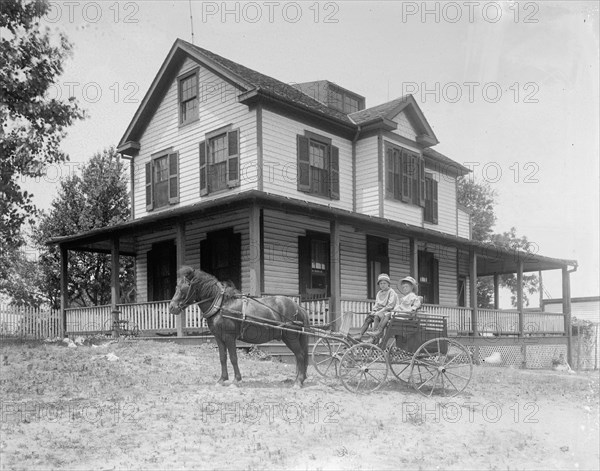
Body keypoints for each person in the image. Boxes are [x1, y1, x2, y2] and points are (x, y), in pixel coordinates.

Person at [354, 274, 399, 341]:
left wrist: (378, 312)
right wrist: (373, 310)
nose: (382, 285)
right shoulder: (379, 293)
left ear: (388, 284)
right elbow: (376, 304)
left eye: (384, 283)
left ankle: (374, 337)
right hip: (380, 311)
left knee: (376, 316)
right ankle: (360, 335)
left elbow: (390, 306)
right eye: (381, 283)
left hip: (388, 312)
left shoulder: (391, 292)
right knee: (369, 318)